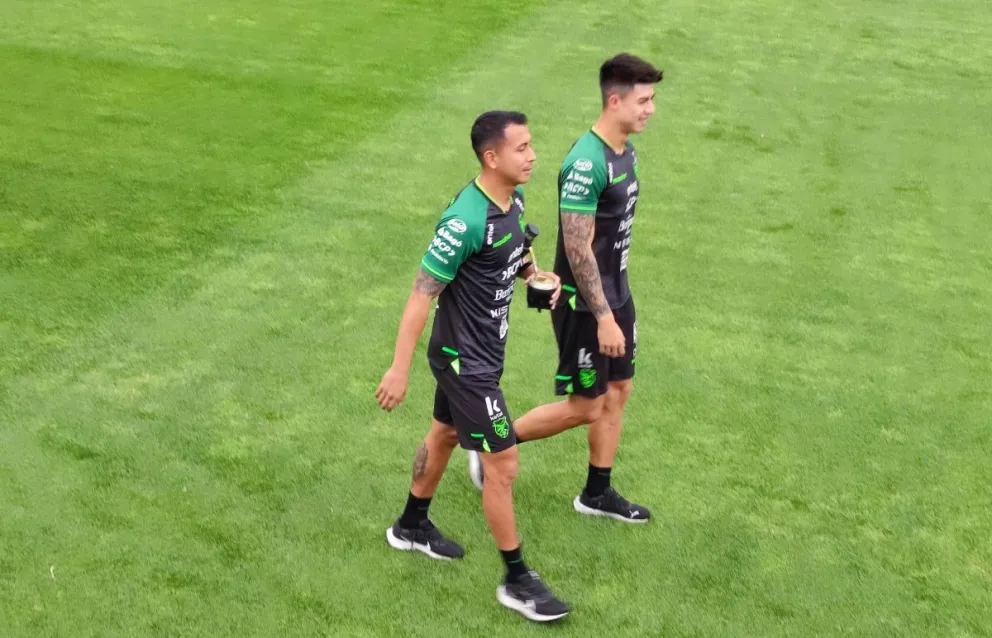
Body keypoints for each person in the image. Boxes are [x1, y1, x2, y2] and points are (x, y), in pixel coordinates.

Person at [375, 110, 569, 622]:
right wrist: (399, 369)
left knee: (442, 436)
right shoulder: (464, 220)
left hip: (483, 354)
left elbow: (515, 247)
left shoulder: (512, 199)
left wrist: (533, 275)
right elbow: (421, 296)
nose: (532, 156)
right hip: (465, 363)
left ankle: (411, 526)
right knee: (502, 465)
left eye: (531, 145)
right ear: (492, 157)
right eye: (522, 148)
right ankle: (517, 579)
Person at [468, 54, 663, 524]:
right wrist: (603, 317)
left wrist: (618, 308)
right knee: (586, 405)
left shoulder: (624, 152)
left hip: (618, 293)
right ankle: (493, 443)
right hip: (585, 304)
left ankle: (597, 493)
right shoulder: (585, 163)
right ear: (613, 101)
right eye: (643, 100)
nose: (650, 109)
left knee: (619, 389)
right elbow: (577, 249)